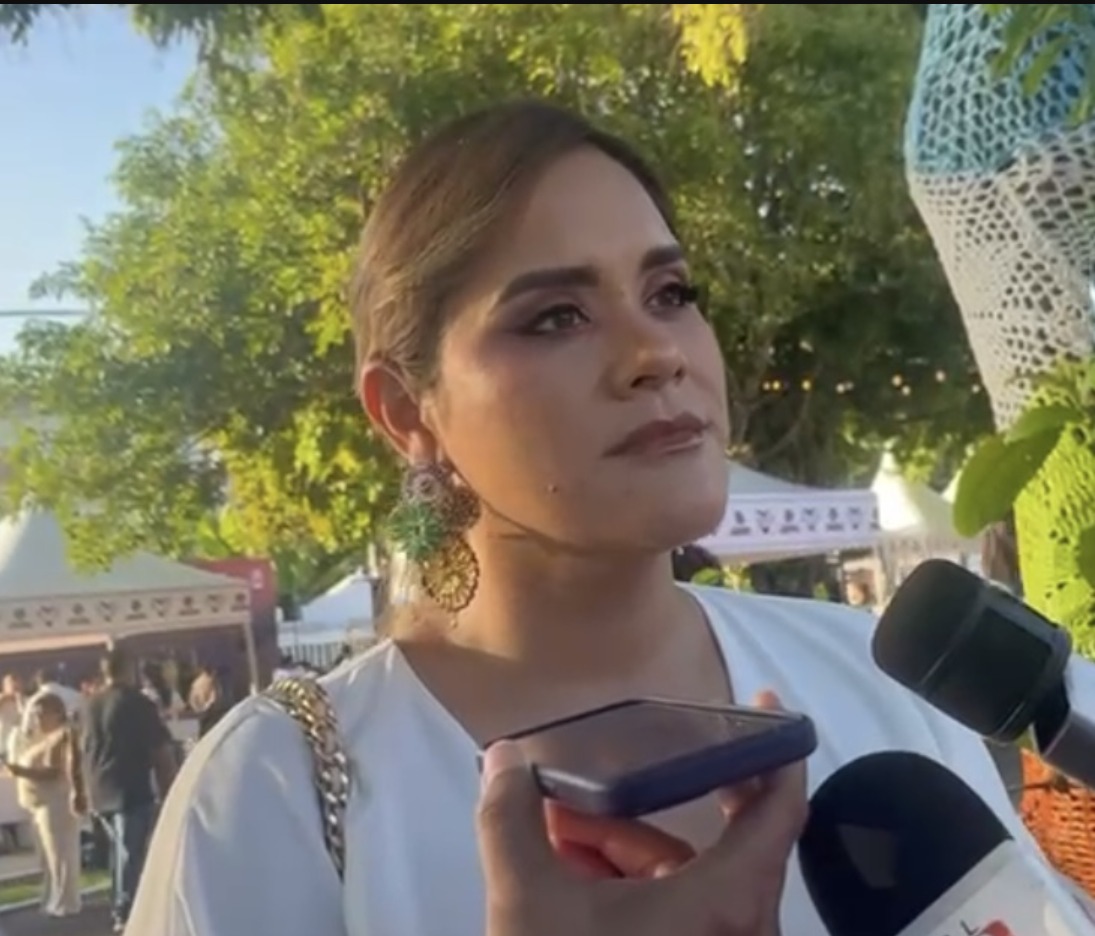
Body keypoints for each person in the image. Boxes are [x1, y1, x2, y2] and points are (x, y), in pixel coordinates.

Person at [126, 100, 1092, 935]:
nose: (654, 354)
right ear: (407, 413)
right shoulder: (274, 793)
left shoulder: (877, 683)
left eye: (670, 293)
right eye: (554, 316)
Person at [82, 649, 177, 933]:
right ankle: (124, 910)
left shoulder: (89, 705)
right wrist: (170, 790)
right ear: (129, 669)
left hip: (98, 786)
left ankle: (120, 902)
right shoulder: (138, 703)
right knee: (129, 852)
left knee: (119, 851)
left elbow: (77, 749)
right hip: (129, 785)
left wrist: (79, 788)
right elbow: (159, 749)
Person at [5, 693, 83, 918]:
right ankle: (52, 897)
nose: (37, 719)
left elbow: (53, 772)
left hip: (55, 803)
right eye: (35, 714)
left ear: (57, 713)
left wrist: (20, 771)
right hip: (37, 805)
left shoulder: (62, 736)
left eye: (42, 714)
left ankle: (66, 902)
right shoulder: (40, 739)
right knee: (47, 858)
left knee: (60, 855)